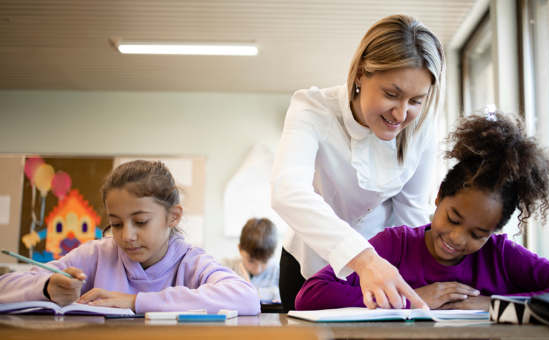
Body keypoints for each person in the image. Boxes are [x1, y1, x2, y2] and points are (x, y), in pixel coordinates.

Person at [294, 112, 549, 311]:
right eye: (453, 219)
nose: (457, 237)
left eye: (478, 233)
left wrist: (493, 303)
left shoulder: (501, 257)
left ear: (495, 231)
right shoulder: (395, 245)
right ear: (439, 196)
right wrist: (409, 301)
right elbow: (311, 294)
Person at [271, 14, 446, 311]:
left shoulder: (423, 128)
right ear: (362, 73)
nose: (402, 114)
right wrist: (364, 258)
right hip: (309, 265)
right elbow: (287, 190)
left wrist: (424, 279)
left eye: (416, 100)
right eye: (392, 94)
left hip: (383, 271)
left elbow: (411, 213)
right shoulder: (313, 109)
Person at [0, 160, 261, 315]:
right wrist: (46, 286)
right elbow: (5, 286)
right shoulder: (97, 254)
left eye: (140, 222)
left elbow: (246, 297)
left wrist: (136, 301)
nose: (127, 236)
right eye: (115, 224)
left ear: (173, 216)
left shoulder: (190, 261)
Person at [220, 218, 281, 303]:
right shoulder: (227, 266)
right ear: (240, 249)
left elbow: (287, 296)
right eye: (251, 261)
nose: (257, 269)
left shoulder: (278, 271)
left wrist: (258, 294)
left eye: (264, 262)